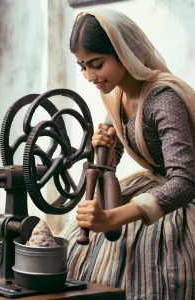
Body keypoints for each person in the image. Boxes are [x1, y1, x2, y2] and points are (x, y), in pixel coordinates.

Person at [59, 8, 195, 300]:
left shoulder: (164, 100)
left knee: (150, 269)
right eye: (82, 66)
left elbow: (184, 182)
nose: (89, 76)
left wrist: (112, 219)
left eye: (97, 64)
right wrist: (103, 146)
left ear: (124, 52)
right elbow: (109, 162)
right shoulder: (116, 94)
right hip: (153, 185)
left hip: (182, 197)